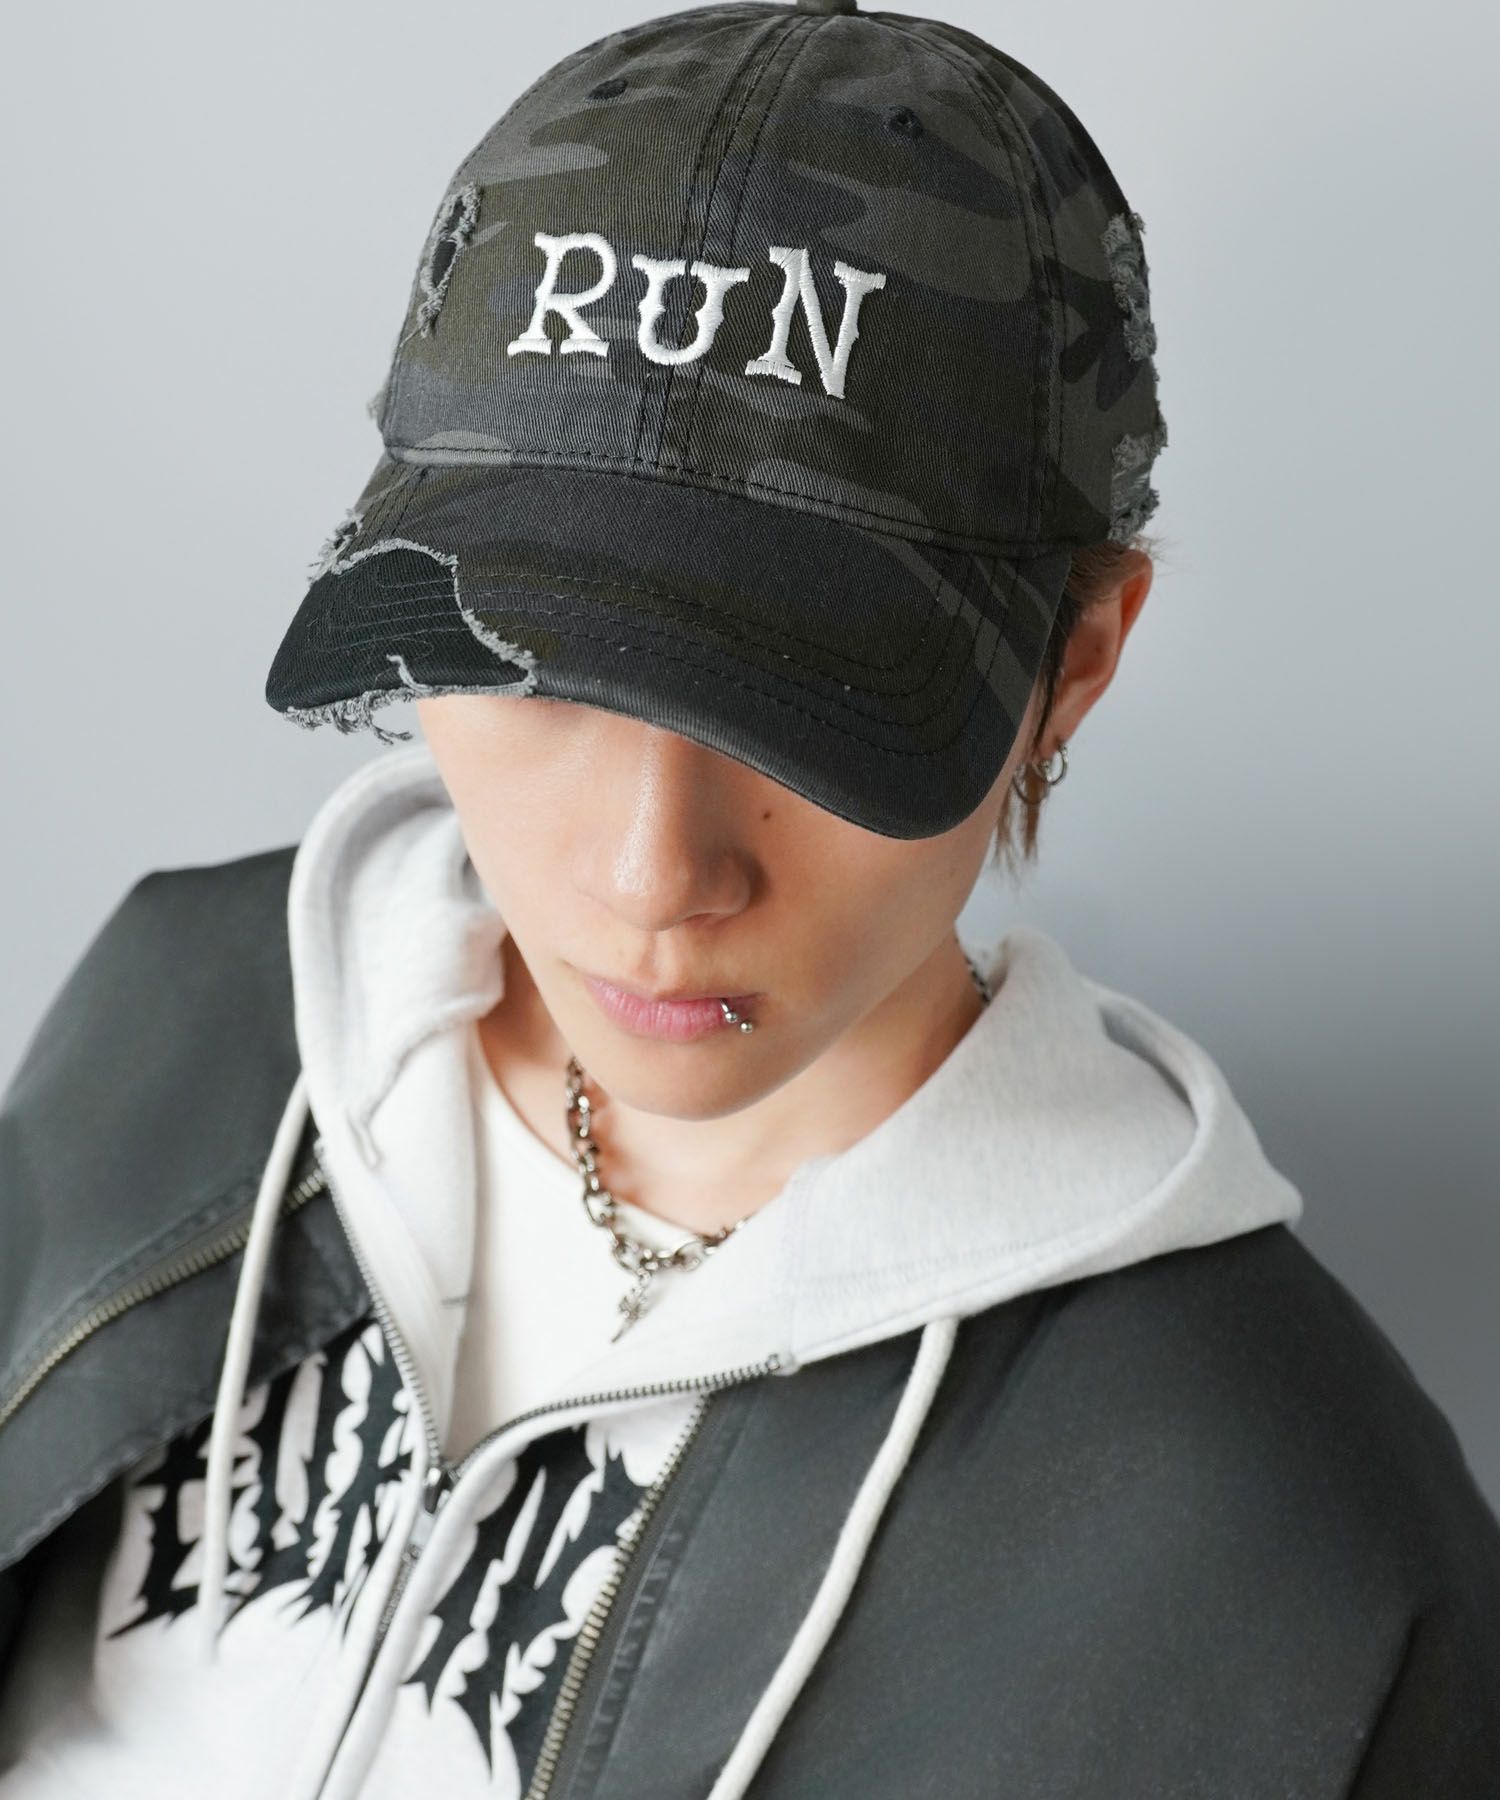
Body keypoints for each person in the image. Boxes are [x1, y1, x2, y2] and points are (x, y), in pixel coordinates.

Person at [1, 0, 1497, 1793]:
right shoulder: (183, 1018)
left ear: (1078, 657)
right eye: (534, 663)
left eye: (805, 705)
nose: (654, 873)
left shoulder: (1291, 1557)